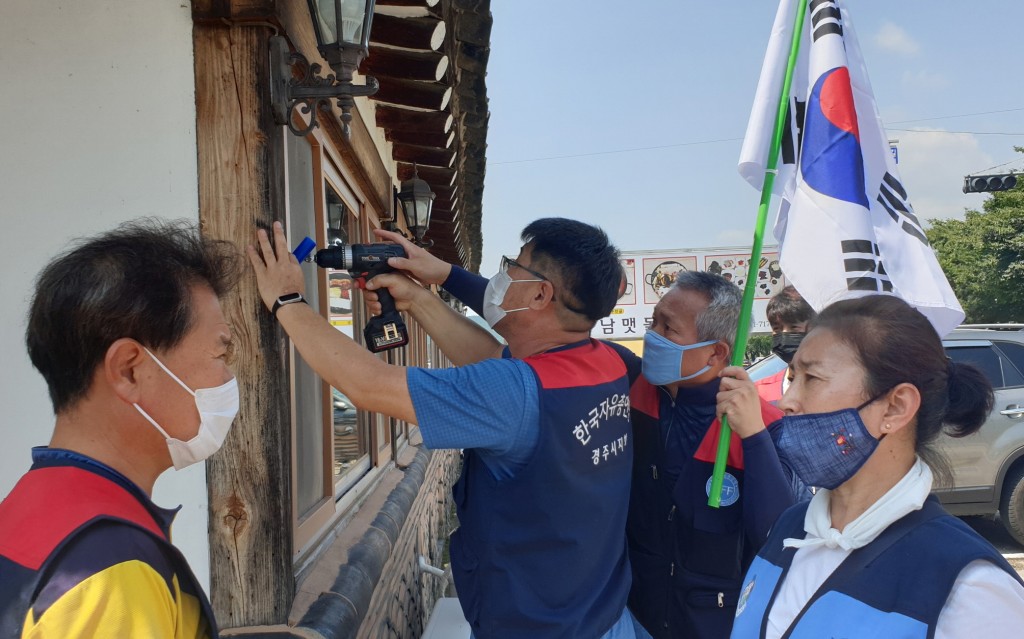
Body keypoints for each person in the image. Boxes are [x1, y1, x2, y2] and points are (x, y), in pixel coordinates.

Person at [370, 241, 805, 639]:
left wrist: (752, 437)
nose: (651, 336)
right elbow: (539, 322)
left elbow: (780, 537)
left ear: (716, 354)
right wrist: (442, 275)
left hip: (717, 627)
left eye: (668, 330)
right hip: (631, 620)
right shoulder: (628, 383)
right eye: (652, 321)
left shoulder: (763, 425)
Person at [248, 219, 641, 639]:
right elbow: (494, 361)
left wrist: (287, 300)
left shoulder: (516, 392)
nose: (502, 273)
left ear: (541, 293)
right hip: (601, 615)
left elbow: (371, 386)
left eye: (514, 265)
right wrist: (417, 299)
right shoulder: (606, 363)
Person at [724, 295, 1024, 638]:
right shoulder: (789, 532)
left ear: (896, 408)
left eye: (812, 378)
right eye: (793, 378)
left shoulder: (969, 590)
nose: (785, 402)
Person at [0, 220, 240, 638]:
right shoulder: (109, 572)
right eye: (221, 351)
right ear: (129, 370)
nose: (227, 378)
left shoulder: (28, 506)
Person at [754, 286, 816, 404]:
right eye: (777, 329)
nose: (784, 335)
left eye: (794, 327)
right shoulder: (759, 393)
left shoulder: (838, 390)